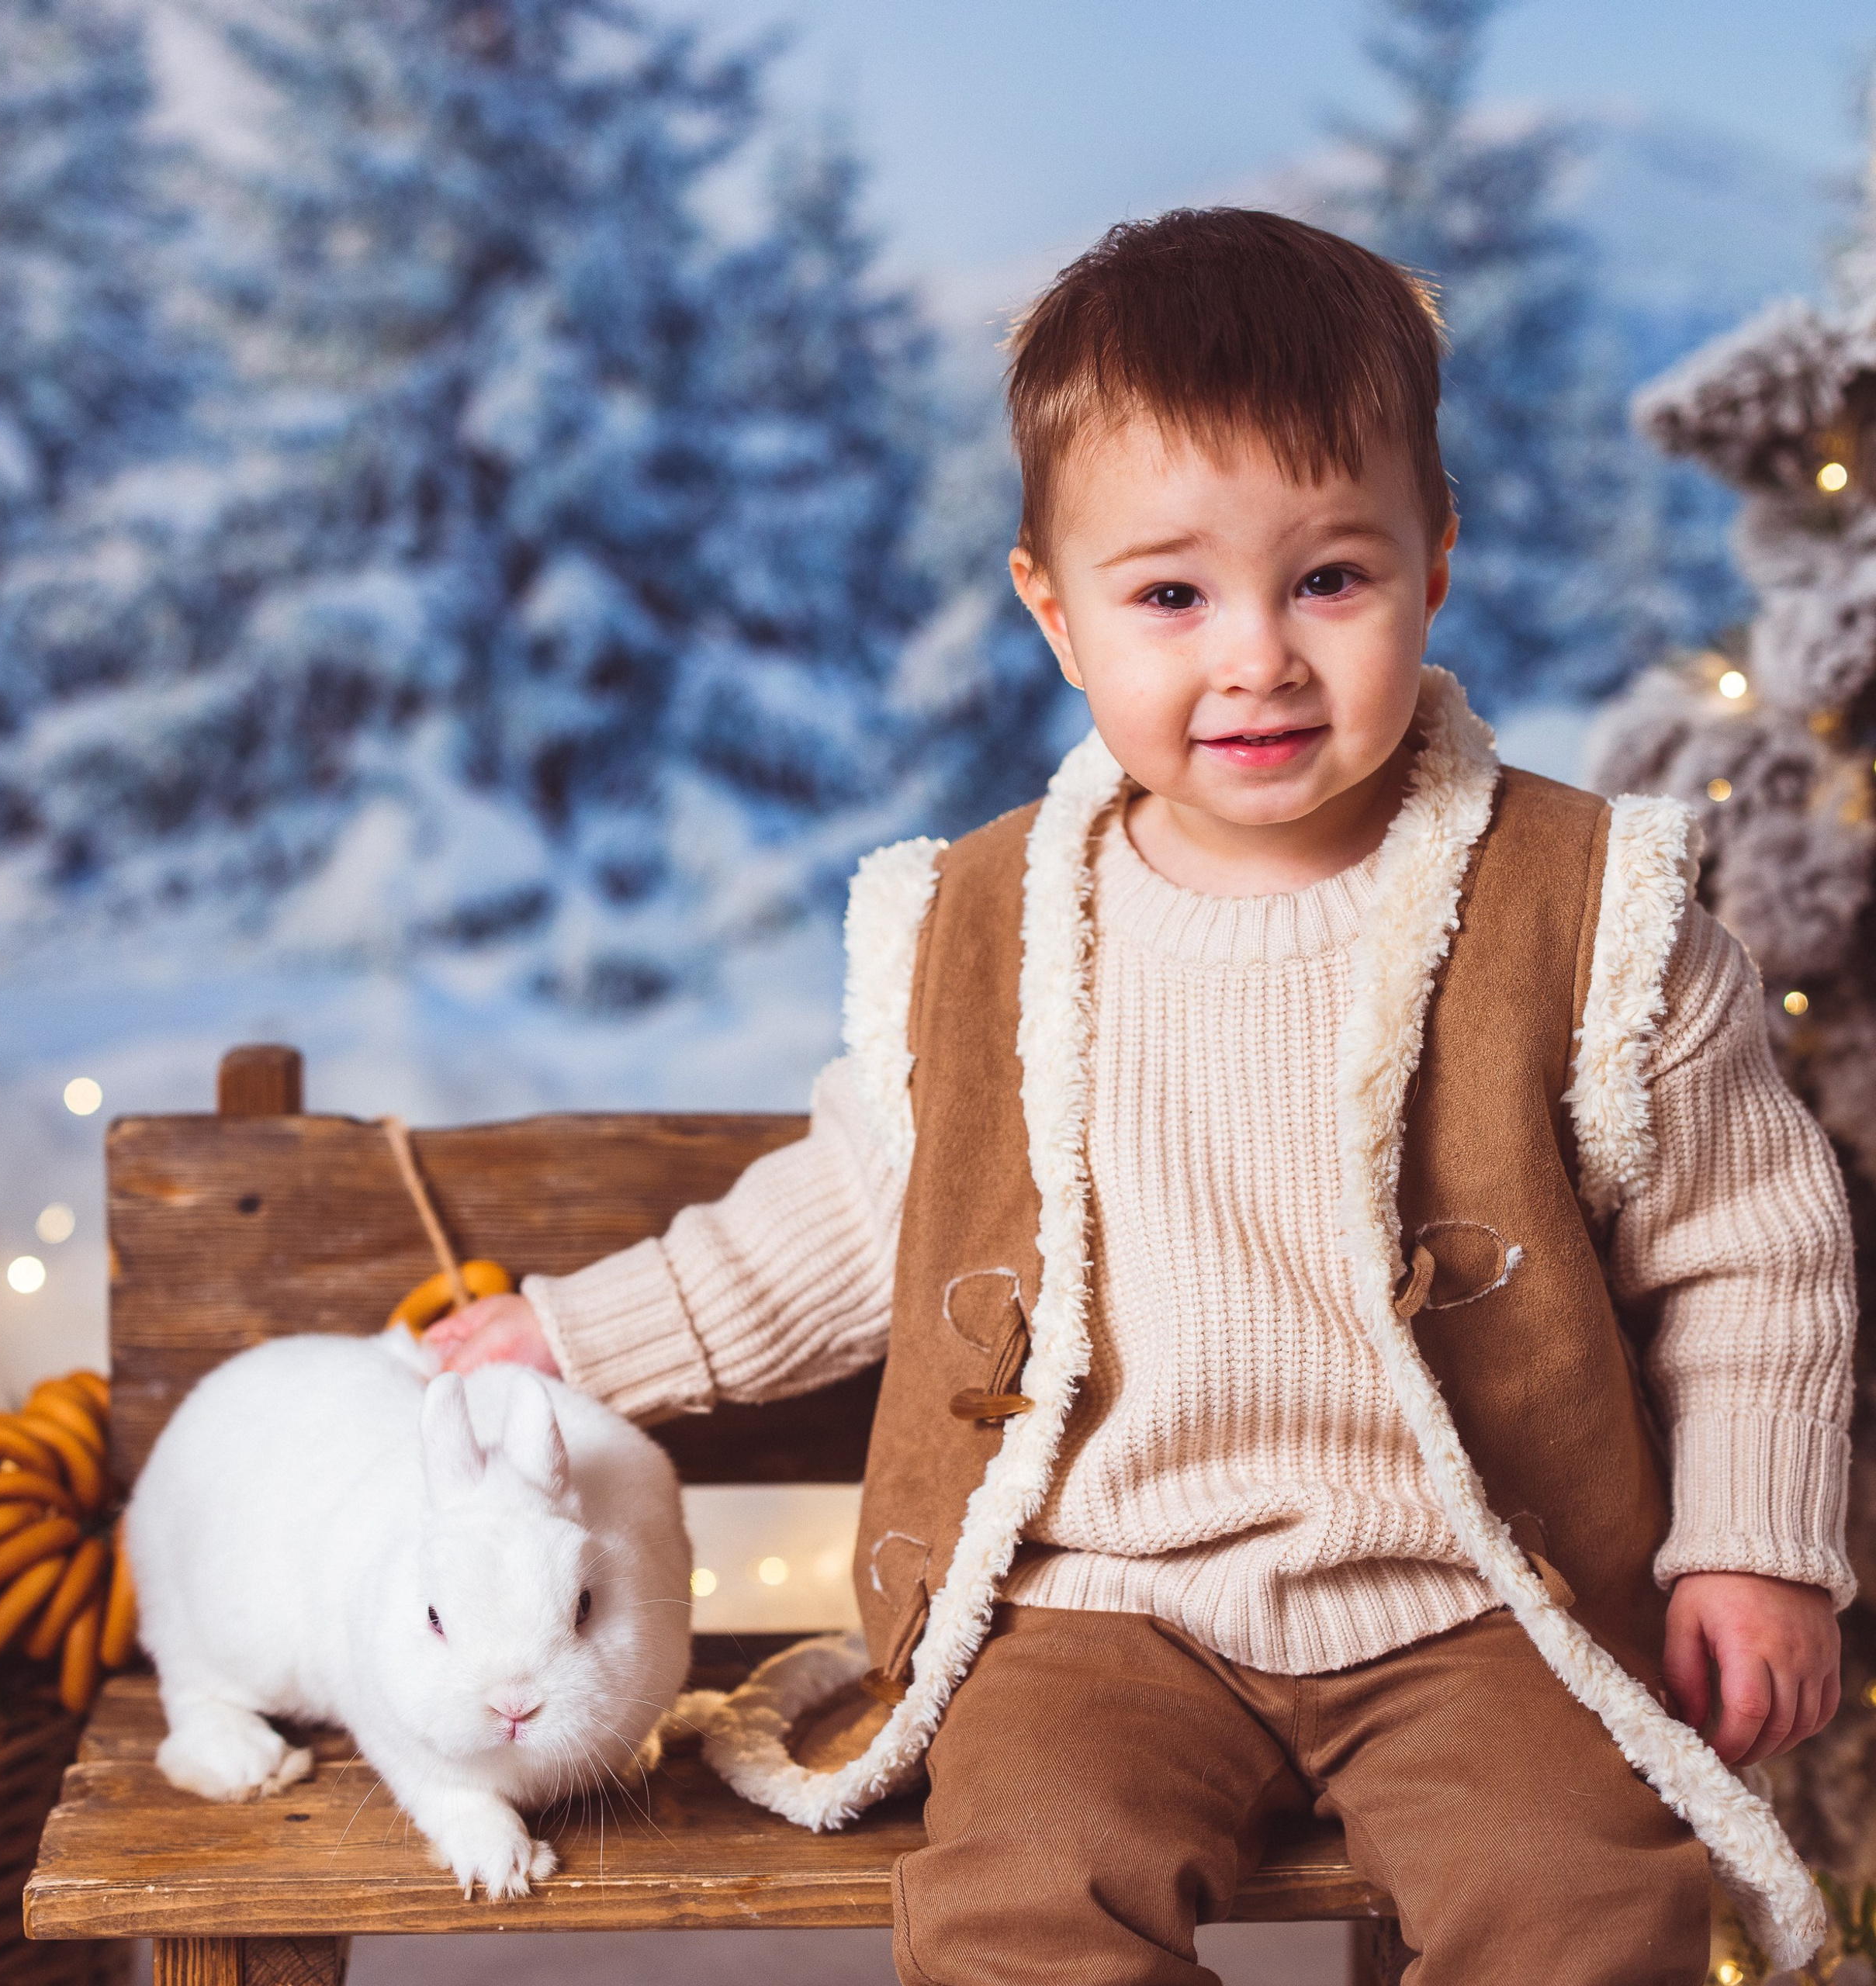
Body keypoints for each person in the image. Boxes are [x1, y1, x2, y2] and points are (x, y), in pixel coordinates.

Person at [425, 209, 1855, 1984]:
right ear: (1054, 610)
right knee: (1023, 1893)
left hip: (1479, 1592)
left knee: (1574, 1892)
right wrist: (572, 1340)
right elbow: (857, 1213)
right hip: (1097, 1599)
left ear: (1433, 564)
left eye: (1327, 579)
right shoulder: (986, 924)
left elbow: (1749, 1254)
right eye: (1169, 596)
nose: (1254, 656)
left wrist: (1752, 1546)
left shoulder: (1589, 918)